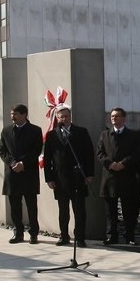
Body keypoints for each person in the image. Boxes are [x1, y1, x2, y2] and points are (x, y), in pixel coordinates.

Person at [43, 106, 95, 247]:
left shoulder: (81, 132)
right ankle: (64, 236)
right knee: (63, 210)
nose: (63, 119)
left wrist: (89, 174)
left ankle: (80, 237)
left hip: (78, 177)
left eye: (66, 116)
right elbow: (47, 158)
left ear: (70, 117)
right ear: (57, 119)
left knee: (79, 210)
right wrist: (49, 178)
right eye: (61, 117)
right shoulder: (52, 135)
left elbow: (89, 154)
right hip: (60, 178)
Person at [97, 108, 140, 246]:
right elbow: (100, 153)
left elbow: (137, 153)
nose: (114, 118)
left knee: (128, 210)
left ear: (124, 119)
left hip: (127, 177)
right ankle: (111, 235)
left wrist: (123, 164)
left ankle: (129, 236)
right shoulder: (105, 134)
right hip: (110, 177)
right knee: (111, 211)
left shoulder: (133, 135)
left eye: (117, 116)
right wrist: (110, 164)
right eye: (112, 116)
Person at [0, 104, 43, 244]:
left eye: (15, 114)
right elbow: (1, 150)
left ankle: (33, 233)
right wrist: (12, 163)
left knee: (31, 205)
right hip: (12, 174)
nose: (12, 117)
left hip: (28, 173)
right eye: (11, 114)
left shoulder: (35, 130)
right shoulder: (6, 131)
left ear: (24, 115)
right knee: (15, 206)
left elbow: (36, 150)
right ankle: (18, 233)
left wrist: (23, 163)